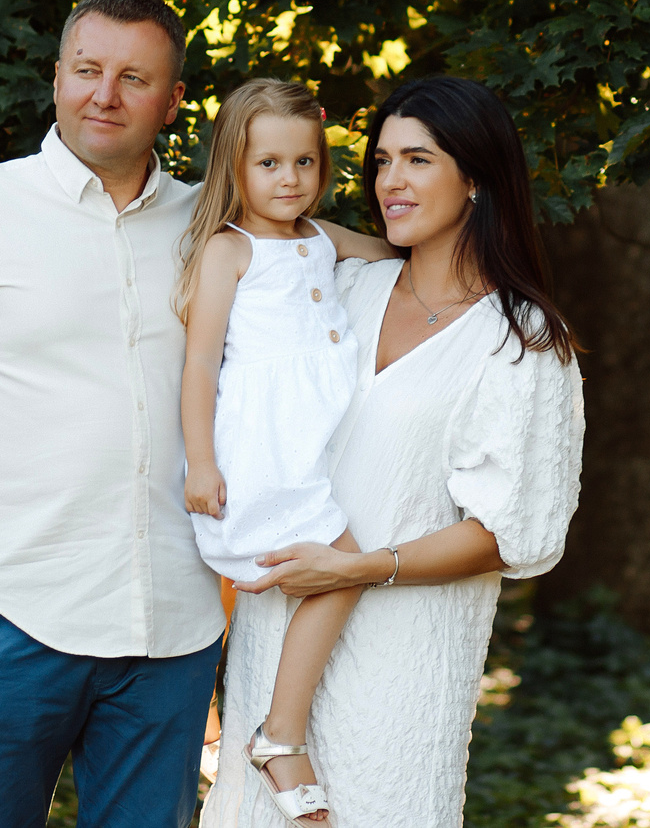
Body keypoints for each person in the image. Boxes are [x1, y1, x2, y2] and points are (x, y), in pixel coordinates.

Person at [0, 0, 223, 828]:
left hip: (172, 622)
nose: (105, 94)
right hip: (15, 612)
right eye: (87, 69)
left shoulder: (213, 224)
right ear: (56, 76)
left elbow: (328, 255)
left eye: (134, 77)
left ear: (172, 103)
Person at [199, 76, 587, 828]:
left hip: (400, 664)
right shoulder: (341, 286)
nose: (391, 181)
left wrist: (359, 565)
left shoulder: (521, 342)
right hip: (271, 642)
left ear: (475, 176)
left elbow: (511, 532)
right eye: (381, 161)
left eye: (418, 159)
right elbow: (244, 429)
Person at [176, 80, 399, 823]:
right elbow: (201, 363)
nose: (289, 179)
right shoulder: (228, 250)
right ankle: (279, 733)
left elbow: (398, 255)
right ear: (234, 166)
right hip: (258, 451)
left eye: (304, 161)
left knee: (334, 569)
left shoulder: (321, 237)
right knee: (339, 569)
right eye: (268, 162)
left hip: (310, 446)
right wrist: (201, 461)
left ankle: (266, 729)